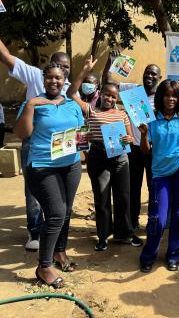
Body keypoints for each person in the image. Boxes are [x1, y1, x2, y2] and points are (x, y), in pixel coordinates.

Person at [13, 62, 84, 289]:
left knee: (65, 211)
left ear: (64, 81)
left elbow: (80, 133)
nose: (54, 81)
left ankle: (60, 253)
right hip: (43, 166)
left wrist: (83, 151)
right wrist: (31, 105)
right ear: (44, 80)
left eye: (59, 78)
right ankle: (44, 266)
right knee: (55, 213)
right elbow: (22, 133)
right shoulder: (34, 103)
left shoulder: (72, 104)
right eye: (50, 77)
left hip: (70, 166)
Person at [0, 39, 72, 251]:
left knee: (59, 187)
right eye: (59, 65)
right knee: (33, 189)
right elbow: (5, 56)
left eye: (66, 68)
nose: (61, 72)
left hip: (61, 143)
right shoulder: (35, 76)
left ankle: (55, 231)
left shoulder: (68, 87)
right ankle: (35, 230)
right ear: (49, 67)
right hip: (34, 142)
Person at [67, 56, 142, 251]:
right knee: (101, 199)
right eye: (106, 95)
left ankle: (125, 234)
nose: (109, 99)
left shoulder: (123, 114)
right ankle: (103, 236)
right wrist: (84, 71)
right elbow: (71, 92)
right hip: (98, 158)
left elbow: (130, 138)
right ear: (100, 94)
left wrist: (128, 139)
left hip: (120, 159)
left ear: (117, 98)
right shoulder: (90, 111)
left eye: (113, 97)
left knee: (123, 197)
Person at [138, 79, 179, 272]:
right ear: (160, 97)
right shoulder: (151, 119)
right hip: (160, 174)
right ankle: (149, 255)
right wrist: (143, 134)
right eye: (166, 95)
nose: (171, 99)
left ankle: (174, 254)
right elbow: (146, 151)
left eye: (174, 95)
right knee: (158, 218)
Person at [103, 50, 162, 229]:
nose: (149, 76)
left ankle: (153, 219)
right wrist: (110, 62)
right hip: (134, 148)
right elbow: (107, 82)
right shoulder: (133, 90)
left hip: (153, 150)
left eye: (153, 74)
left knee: (154, 188)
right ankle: (133, 220)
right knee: (133, 187)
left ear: (159, 77)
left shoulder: (161, 97)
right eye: (147, 72)